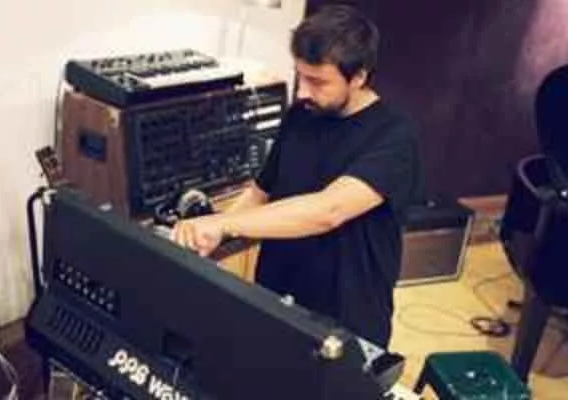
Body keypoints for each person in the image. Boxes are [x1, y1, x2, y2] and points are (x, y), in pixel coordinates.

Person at [172, 4, 423, 348]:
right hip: (277, 299)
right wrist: (215, 232)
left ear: (359, 77)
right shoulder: (301, 115)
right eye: (300, 76)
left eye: (317, 81)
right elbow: (260, 192)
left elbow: (328, 210)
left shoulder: (395, 137)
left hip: (347, 318)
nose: (303, 91)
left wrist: (223, 224)